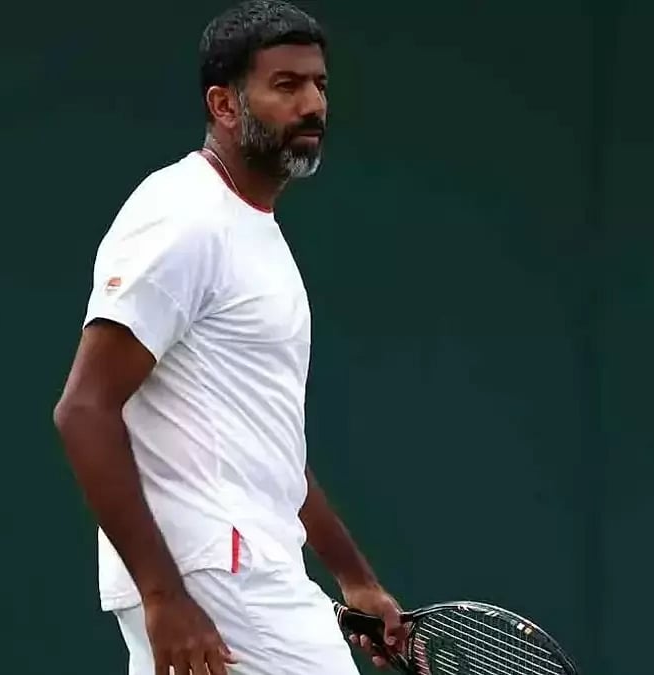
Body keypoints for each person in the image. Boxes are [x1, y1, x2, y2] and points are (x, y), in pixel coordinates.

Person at [52, 2, 403, 673]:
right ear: (224, 104)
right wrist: (164, 595)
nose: (312, 105)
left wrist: (353, 576)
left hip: (233, 568)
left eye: (319, 85)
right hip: (216, 575)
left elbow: (270, 448)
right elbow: (83, 409)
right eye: (286, 85)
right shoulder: (184, 217)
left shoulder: (252, 231)